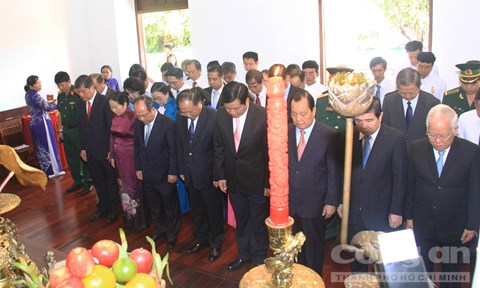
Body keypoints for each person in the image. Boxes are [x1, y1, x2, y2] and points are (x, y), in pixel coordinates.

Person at [405, 104, 480, 288]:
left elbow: (475, 190)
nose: (437, 140)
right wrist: (408, 216)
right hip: (422, 222)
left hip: (455, 224)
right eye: (432, 134)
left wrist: (472, 224)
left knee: (451, 275)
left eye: (443, 135)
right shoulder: (416, 148)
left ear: (455, 130)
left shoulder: (470, 152)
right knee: (422, 272)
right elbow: (409, 185)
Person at [338, 97, 407, 272]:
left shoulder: (395, 138)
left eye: (369, 120)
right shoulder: (348, 135)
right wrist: (341, 200)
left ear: (380, 116)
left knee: (383, 266)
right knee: (357, 263)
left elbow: (400, 178)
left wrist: (396, 210)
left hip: (381, 212)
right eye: (359, 121)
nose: (364, 125)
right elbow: (342, 173)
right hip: (354, 212)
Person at [214, 81, 269, 271]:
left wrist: (268, 183)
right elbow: (219, 146)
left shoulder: (262, 116)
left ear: (246, 100)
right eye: (228, 108)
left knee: (258, 221)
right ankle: (243, 254)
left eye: (236, 108)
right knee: (242, 221)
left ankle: (260, 257)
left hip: (257, 180)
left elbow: (269, 152)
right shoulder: (221, 114)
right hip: (233, 180)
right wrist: (220, 175)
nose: (232, 113)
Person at [288, 90, 340, 276]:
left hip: (315, 201)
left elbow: (334, 172)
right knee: (294, 246)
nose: (298, 119)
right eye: (294, 114)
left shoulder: (329, 135)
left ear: (314, 110)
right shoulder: (286, 131)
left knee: (314, 245)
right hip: (291, 201)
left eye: (303, 114)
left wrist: (332, 201)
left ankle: (314, 278)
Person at [176, 89, 224, 263]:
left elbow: (219, 148)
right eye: (183, 112)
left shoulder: (214, 116)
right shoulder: (181, 118)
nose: (187, 115)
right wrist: (181, 169)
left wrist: (218, 175)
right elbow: (180, 145)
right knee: (197, 211)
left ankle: (216, 243)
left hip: (209, 174)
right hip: (189, 173)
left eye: (190, 111)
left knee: (213, 212)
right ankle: (201, 239)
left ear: (199, 103)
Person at [134, 96, 180, 248]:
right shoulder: (139, 123)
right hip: (147, 173)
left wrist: (173, 172)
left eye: (143, 115)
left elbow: (174, 151)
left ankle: (172, 234)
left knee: (169, 206)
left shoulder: (168, 124)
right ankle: (159, 229)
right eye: (138, 115)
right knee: (154, 205)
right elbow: (138, 148)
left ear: (152, 109)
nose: (141, 118)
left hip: (165, 174)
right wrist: (139, 168)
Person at [75, 75, 119, 224]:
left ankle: (113, 210)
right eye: (78, 92)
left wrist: (111, 150)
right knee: (98, 180)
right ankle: (102, 207)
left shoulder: (105, 102)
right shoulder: (81, 104)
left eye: (83, 91)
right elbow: (81, 128)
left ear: (92, 87)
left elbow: (111, 128)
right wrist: (82, 148)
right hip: (90, 151)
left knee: (110, 181)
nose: (81, 95)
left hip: (105, 150)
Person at [108, 92, 147, 232]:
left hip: (130, 156)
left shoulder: (133, 117)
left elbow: (139, 140)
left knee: (134, 186)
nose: (114, 110)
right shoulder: (114, 117)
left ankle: (140, 220)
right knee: (122, 186)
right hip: (119, 157)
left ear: (125, 104)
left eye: (116, 107)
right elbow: (112, 137)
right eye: (111, 107)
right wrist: (112, 154)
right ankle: (128, 218)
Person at [150, 82, 189, 214]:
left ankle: (182, 207)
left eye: (159, 98)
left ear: (167, 94)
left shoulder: (176, 108)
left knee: (178, 181)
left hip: (173, 148)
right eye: (154, 98)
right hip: (160, 151)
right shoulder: (153, 107)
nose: (156, 101)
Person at [382, 68, 440, 148]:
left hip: (421, 151)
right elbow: (385, 128)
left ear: (419, 86)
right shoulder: (389, 100)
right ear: (397, 87)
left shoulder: (432, 103)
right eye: (403, 93)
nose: (408, 96)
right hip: (395, 150)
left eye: (412, 93)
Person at [54, 71, 92, 193]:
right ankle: (77, 180)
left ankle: (88, 181)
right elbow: (60, 114)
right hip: (67, 131)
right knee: (72, 158)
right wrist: (60, 130)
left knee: (83, 157)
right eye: (59, 85)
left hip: (77, 130)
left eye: (63, 84)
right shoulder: (60, 96)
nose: (61, 87)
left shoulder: (77, 94)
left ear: (69, 82)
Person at [24, 75, 64, 178]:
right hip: (42, 123)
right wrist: (57, 104)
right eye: (37, 83)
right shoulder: (35, 95)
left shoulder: (28, 94)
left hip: (35, 123)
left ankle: (47, 170)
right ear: (31, 85)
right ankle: (54, 170)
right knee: (48, 145)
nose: (40, 85)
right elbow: (47, 107)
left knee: (41, 147)